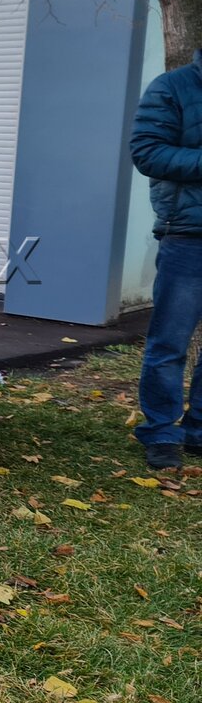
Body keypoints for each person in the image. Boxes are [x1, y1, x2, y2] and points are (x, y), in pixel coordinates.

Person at [129, 46, 202, 470]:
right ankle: (161, 432)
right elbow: (147, 152)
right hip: (189, 236)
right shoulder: (172, 87)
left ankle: (199, 430)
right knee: (169, 343)